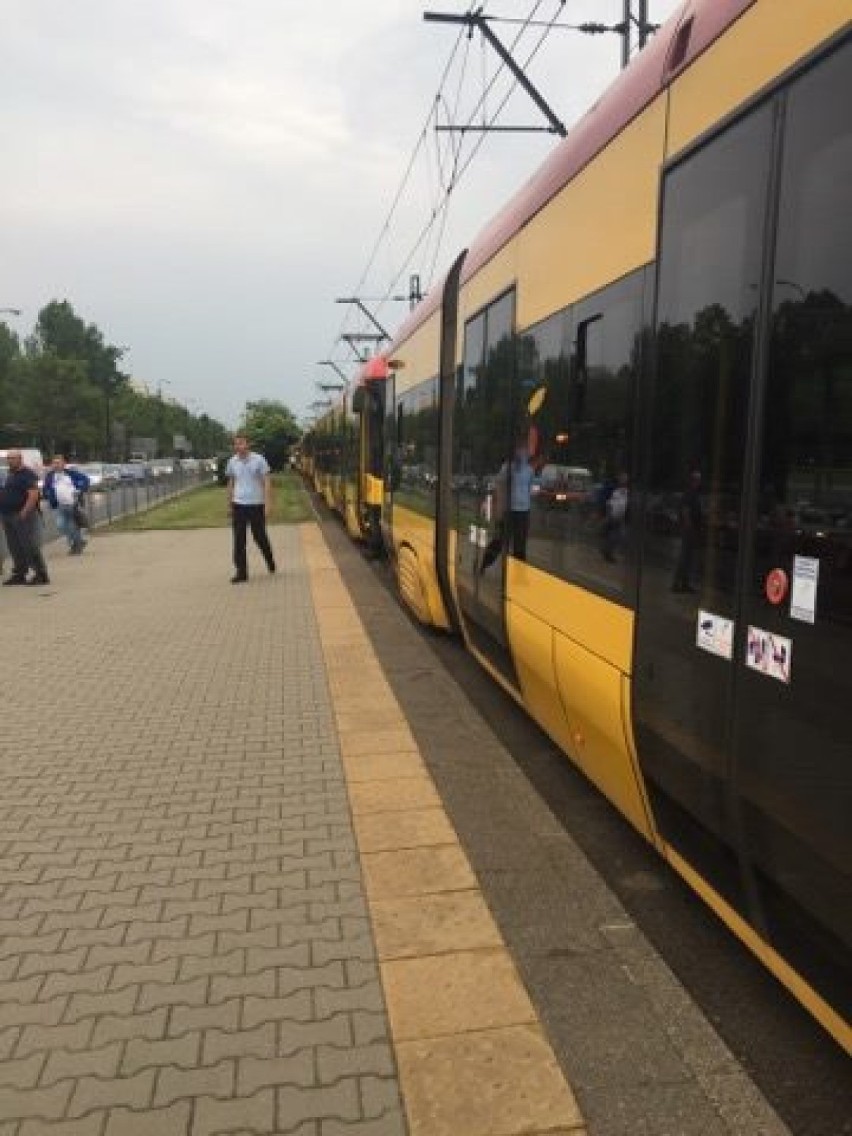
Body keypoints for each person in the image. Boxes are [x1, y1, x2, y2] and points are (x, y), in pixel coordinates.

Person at [480, 437, 536, 573]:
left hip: (523, 512)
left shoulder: (529, 471)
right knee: (499, 542)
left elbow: (530, 488)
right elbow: (497, 486)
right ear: (515, 451)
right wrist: (493, 505)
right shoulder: (507, 468)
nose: (522, 453)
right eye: (520, 450)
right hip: (508, 511)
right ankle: (484, 565)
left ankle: (519, 574)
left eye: (525, 450)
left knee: (520, 545)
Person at [226, 434, 276, 583]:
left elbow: (267, 482)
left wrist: (268, 504)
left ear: (248, 445)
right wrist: (229, 504)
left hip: (256, 505)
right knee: (239, 540)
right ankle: (241, 572)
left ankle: (270, 560)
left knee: (259, 537)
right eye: (236, 444)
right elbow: (231, 482)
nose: (238, 447)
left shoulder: (259, 460)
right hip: (239, 505)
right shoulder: (232, 461)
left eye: (241, 443)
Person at [0, 449, 50, 586]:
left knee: (28, 545)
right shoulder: (9, 474)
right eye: (8, 458)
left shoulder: (27, 474)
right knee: (14, 546)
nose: (10, 461)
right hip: (7, 514)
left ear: (20, 458)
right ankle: (20, 573)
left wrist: (25, 511)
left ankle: (41, 573)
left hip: (22, 514)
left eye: (13, 458)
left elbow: (33, 494)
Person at [42, 455, 90, 555]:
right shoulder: (50, 476)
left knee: (72, 526)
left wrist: (80, 489)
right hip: (58, 505)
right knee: (61, 525)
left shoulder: (71, 474)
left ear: (64, 464)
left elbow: (85, 480)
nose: (56, 465)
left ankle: (76, 546)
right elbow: (45, 488)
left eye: (58, 463)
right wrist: (47, 494)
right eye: (54, 463)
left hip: (72, 504)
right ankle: (79, 541)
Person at [672, 468, 703, 593]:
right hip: (689, 530)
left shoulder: (694, 493)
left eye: (699, 479)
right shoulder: (689, 493)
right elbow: (685, 510)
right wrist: (688, 526)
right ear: (692, 480)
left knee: (689, 559)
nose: (698, 481)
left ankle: (684, 583)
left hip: (692, 529)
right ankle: (677, 584)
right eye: (696, 479)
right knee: (684, 558)